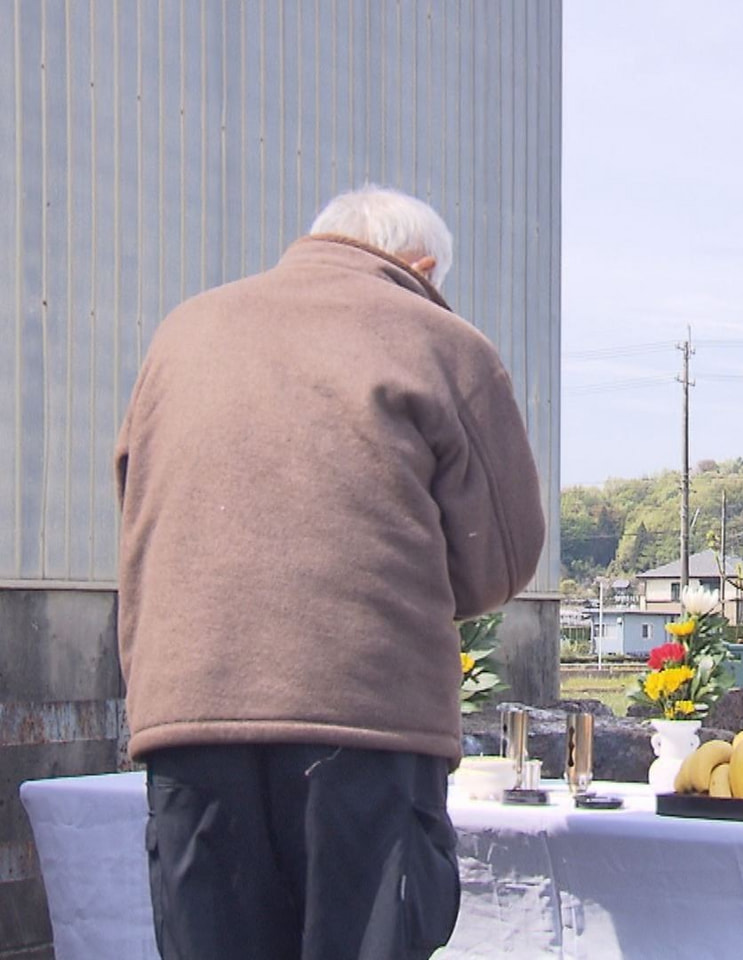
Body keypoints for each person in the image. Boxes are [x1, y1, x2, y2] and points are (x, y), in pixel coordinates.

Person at [114, 184, 546, 959]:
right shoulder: (441, 341)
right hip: (365, 717)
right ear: (421, 269)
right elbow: (501, 559)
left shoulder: (184, 333)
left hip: (189, 715)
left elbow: (135, 497)